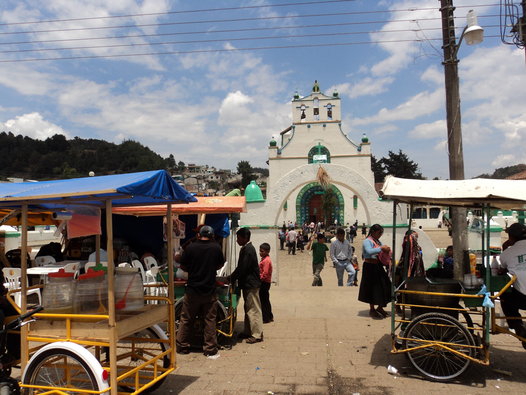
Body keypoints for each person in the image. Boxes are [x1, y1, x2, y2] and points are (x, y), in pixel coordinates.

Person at [176, 226, 225, 357]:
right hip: (209, 291)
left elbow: (183, 266)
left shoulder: (191, 248)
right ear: (212, 235)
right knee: (210, 320)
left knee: (186, 319)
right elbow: (220, 265)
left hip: (192, 290)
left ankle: (182, 346)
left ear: (199, 235)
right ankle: (210, 349)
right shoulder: (216, 248)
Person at [230, 227, 263, 343]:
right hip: (247, 284)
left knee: (253, 309)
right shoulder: (246, 249)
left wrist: (230, 278)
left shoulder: (248, 250)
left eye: (238, 238)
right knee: (248, 308)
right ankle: (248, 331)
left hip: (251, 284)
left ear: (244, 238)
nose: (237, 241)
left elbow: (242, 268)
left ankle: (256, 334)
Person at [499, 223, 526, 340]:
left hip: (523, 299)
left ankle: (517, 325)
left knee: (504, 294)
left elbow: (503, 267)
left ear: (511, 237)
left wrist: (505, 248)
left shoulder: (507, 253)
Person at [358, 224, 392, 319]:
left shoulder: (377, 241)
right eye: (379, 232)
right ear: (373, 232)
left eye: (381, 233)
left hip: (378, 265)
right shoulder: (367, 241)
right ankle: (372, 309)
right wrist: (381, 248)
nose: (380, 235)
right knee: (371, 288)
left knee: (386, 286)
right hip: (369, 266)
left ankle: (380, 307)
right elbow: (369, 251)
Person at [258, 243, 274, 323]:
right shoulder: (264, 259)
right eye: (260, 251)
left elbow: (265, 273)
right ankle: (269, 316)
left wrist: (259, 279)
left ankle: (266, 318)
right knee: (266, 300)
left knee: (263, 300)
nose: (260, 253)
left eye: (262, 251)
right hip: (265, 282)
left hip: (264, 282)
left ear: (267, 251)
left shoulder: (266, 261)